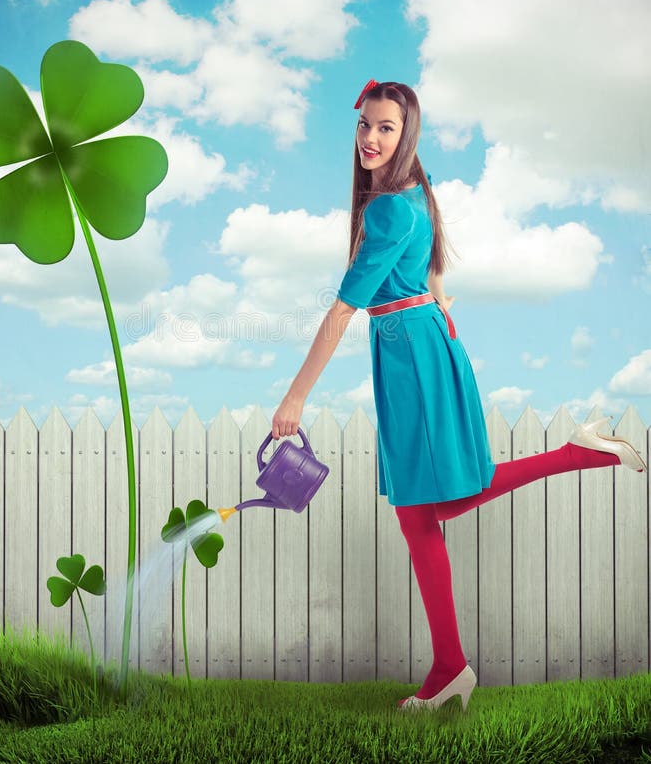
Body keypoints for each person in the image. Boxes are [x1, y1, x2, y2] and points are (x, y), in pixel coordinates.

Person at [270, 79, 647, 712]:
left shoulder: (388, 207)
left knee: (436, 503)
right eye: (364, 125)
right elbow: (432, 263)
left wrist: (295, 399)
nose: (369, 137)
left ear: (406, 133)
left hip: (411, 354)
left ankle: (583, 455)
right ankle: (451, 666)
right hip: (420, 341)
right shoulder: (413, 189)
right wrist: (439, 303)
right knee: (421, 515)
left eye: (385, 127)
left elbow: (341, 310)